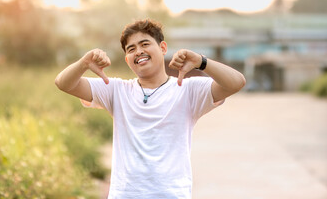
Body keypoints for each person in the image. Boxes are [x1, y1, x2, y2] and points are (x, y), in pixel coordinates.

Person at [55, 19, 246, 199]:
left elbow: (236, 83)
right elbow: (64, 83)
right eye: (131, 49)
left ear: (163, 48)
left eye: (145, 44)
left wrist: (201, 62)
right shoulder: (116, 90)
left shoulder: (188, 90)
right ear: (128, 60)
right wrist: (83, 64)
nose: (138, 51)